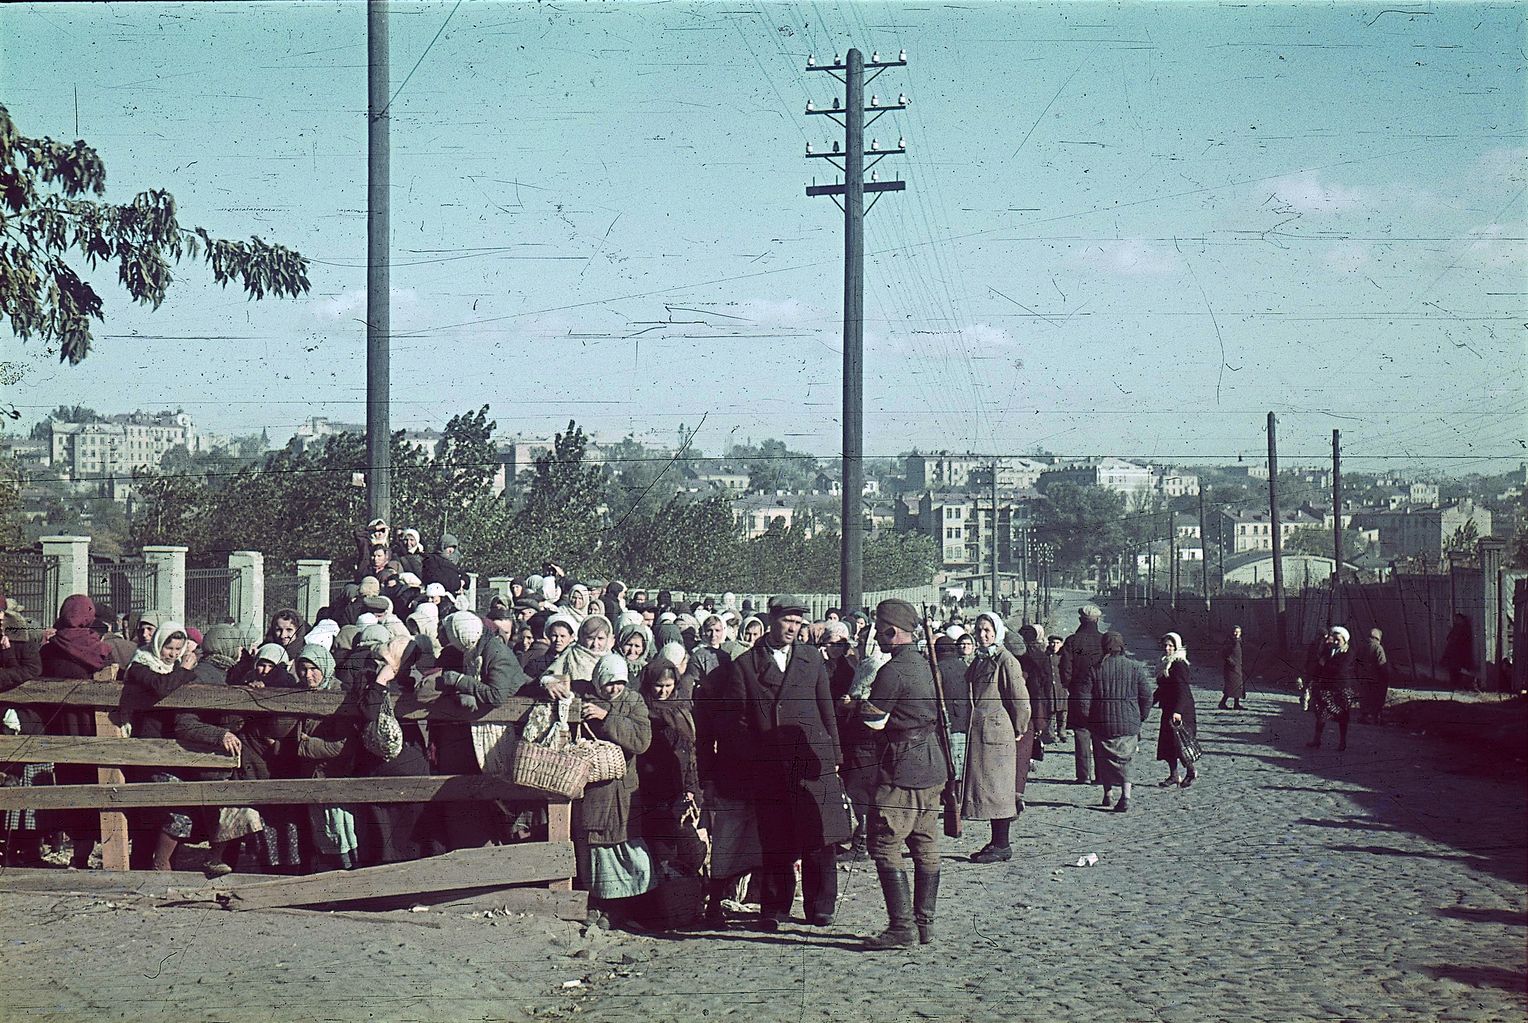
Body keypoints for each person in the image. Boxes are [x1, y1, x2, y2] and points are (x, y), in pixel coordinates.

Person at [710, 594, 848, 930]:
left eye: (799, 622)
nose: (793, 627)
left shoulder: (811, 658)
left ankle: (820, 906)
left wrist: (834, 754)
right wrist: (753, 757)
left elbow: (825, 706)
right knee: (776, 839)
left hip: (810, 758)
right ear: (771, 620)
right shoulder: (746, 665)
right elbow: (737, 723)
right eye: (788, 620)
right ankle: (774, 907)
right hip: (770, 764)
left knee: (820, 836)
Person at [857, 599, 947, 949]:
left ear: (892, 632)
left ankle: (901, 927)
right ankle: (924, 924)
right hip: (931, 765)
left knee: (885, 845)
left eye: (879, 629)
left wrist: (854, 708)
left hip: (901, 768)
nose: (875, 635)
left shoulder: (892, 671)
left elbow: (874, 721)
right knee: (925, 845)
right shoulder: (924, 665)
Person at [123, 622, 241, 870]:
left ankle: (162, 866)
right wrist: (186, 669)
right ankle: (155, 866)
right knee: (163, 815)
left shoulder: (173, 668)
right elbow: (162, 687)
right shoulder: (141, 665)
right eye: (169, 648)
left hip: (172, 753)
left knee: (167, 815)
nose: (173, 654)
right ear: (158, 645)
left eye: (178, 648)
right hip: (149, 749)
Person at [574, 653, 654, 929]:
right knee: (596, 847)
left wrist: (607, 717)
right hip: (593, 789)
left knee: (623, 847)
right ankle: (600, 905)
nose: (614, 689)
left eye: (619, 683)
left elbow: (641, 740)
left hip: (621, 790)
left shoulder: (633, 701)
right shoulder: (584, 695)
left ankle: (622, 908)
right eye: (609, 683)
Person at [961, 611, 1029, 863]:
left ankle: (1002, 844)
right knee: (989, 789)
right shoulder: (980, 659)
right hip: (981, 734)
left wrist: (1019, 728)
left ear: (998, 631)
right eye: (979, 630)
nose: (982, 634)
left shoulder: (1005, 660)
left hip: (997, 735)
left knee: (999, 789)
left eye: (988, 630)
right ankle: (996, 841)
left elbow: (1020, 699)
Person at [1077, 632, 1154, 813]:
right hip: (1129, 723)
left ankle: (1108, 794)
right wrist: (1140, 716)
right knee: (1126, 760)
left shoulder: (1095, 669)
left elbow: (1083, 699)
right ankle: (1125, 796)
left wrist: (1090, 718)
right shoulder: (1135, 668)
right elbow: (1147, 696)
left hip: (1101, 723)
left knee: (1103, 759)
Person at [635, 658, 700, 869]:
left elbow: (690, 752)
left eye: (668, 686)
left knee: (689, 849)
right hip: (652, 789)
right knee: (659, 849)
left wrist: (691, 788)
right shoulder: (641, 708)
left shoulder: (682, 707)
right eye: (658, 686)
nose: (663, 692)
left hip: (680, 789)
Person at [1059, 604, 1105, 784]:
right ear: (1097, 620)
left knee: (1081, 733)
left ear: (1080, 620)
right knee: (1100, 734)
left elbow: (1065, 668)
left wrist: (1070, 685)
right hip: (1101, 694)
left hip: (1079, 692)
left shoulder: (1072, 641)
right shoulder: (1103, 640)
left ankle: (1083, 775)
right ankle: (1101, 775)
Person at [1153, 632, 1199, 787]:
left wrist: (1178, 711)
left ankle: (1191, 772)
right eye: (1165, 645)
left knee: (1181, 744)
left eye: (1171, 646)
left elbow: (1182, 690)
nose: (1167, 648)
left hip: (1181, 710)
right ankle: (1174, 775)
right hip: (1168, 708)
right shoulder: (1165, 663)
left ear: (1176, 647)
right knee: (1168, 744)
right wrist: (1148, 702)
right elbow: (1162, 689)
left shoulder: (1179, 664)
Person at [1308, 626, 1359, 751]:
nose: (1335, 642)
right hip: (1326, 688)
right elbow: (1319, 666)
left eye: (1338, 640)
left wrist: (1325, 664)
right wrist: (1313, 679)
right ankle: (1317, 740)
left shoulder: (1349, 653)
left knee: (1342, 716)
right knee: (1321, 714)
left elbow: (1340, 669)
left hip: (1342, 689)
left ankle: (1342, 742)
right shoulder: (1328, 650)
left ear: (1345, 640)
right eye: (1334, 639)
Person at [1358, 627, 1391, 724]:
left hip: (1363, 678)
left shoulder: (1361, 647)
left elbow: (1356, 663)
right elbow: (1382, 664)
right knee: (1377, 698)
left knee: (1365, 697)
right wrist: (1386, 677)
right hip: (1376, 679)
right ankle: (1376, 717)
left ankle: (1364, 716)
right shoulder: (1378, 648)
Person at [1442, 613, 1477, 691]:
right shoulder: (1456, 627)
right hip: (1453, 652)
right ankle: (1454, 684)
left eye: (1458, 619)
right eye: (1456, 619)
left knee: (1458, 668)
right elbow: (1449, 637)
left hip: (1460, 652)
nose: (1456, 620)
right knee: (1453, 669)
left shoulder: (1464, 628)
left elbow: (1464, 640)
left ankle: (1459, 685)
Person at [1220, 625, 1245, 710]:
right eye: (1235, 631)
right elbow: (1225, 654)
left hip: (1238, 666)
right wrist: (1232, 663)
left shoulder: (1239, 641)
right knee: (1231, 686)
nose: (1236, 634)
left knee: (1238, 685)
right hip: (1230, 668)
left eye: (1238, 632)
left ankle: (1236, 704)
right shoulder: (1230, 642)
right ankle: (1222, 703)